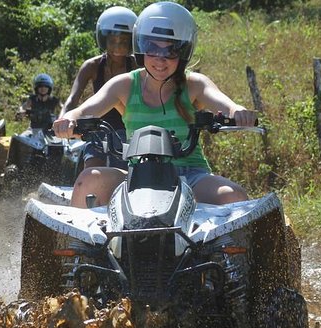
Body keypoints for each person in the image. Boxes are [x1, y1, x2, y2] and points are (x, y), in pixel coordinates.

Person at [53, 2, 257, 208]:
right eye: (152, 48)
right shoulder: (124, 84)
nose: (160, 59)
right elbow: (86, 109)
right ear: (141, 48)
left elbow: (225, 103)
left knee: (234, 196)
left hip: (190, 176)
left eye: (171, 50)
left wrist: (237, 111)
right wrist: (70, 119)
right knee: (87, 179)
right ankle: (74, 242)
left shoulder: (194, 84)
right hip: (137, 174)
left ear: (184, 52)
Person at [60, 6, 137, 169]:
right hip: (97, 129)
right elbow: (73, 99)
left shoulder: (138, 66)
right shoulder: (92, 66)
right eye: (113, 41)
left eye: (124, 42)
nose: (118, 47)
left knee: (126, 176)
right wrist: (63, 120)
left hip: (130, 129)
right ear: (103, 40)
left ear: (132, 42)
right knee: (91, 172)